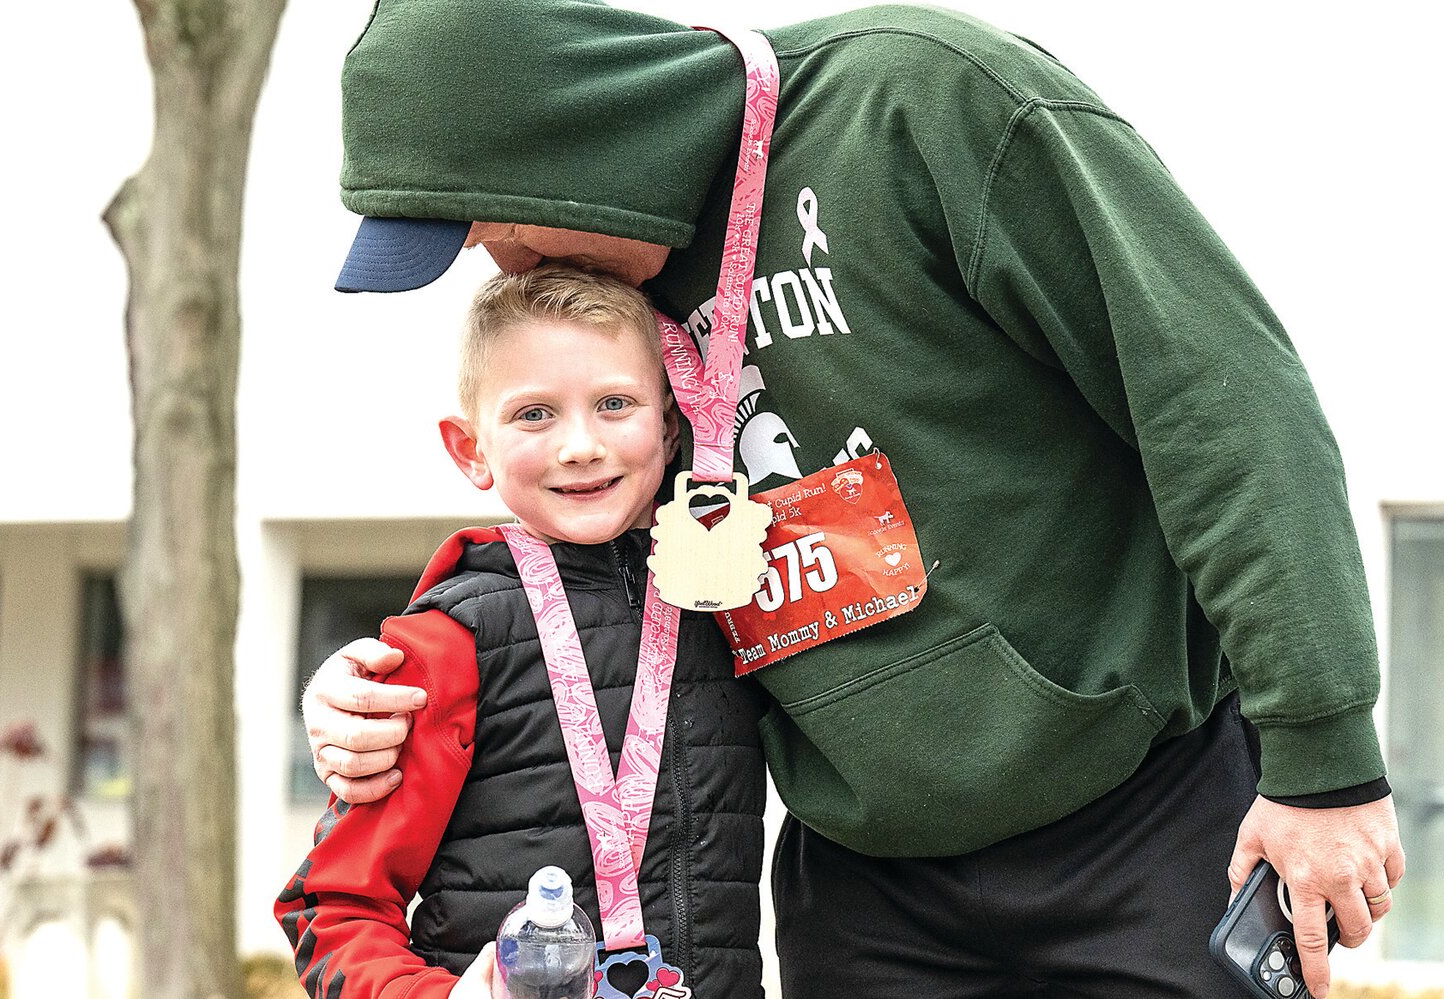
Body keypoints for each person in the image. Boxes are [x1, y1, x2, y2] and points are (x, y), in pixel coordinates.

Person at [301, 3, 1404, 997]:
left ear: (561, 158)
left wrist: (1324, 761)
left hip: (1141, 824)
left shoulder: (923, 102)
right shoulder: (616, 313)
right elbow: (584, 579)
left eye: (486, 229)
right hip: (865, 892)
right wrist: (374, 690)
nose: (498, 268)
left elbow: (1221, 400)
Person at [276, 266, 768, 998]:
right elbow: (334, 905)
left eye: (614, 403)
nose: (580, 445)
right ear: (470, 448)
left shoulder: (729, 592)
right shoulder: (447, 642)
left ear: (669, 426)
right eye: (535, 414)